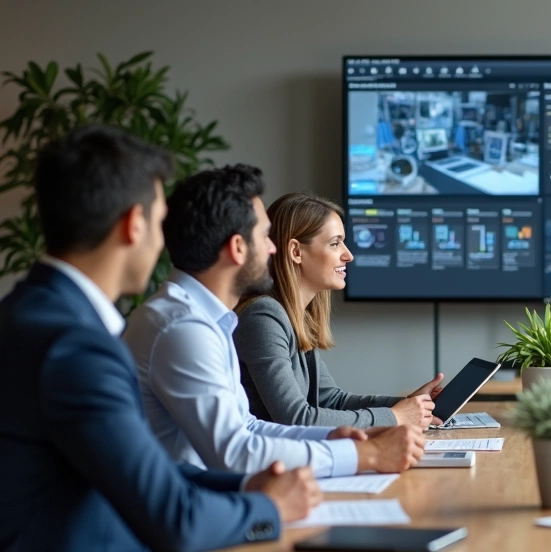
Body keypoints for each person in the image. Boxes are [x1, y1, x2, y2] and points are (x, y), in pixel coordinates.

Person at [0, 126, 321, 552]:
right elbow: (175, 521)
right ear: (133, 224)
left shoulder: (36, 312)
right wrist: (270, 508)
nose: (165, 241)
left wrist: (246, 485)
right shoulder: (73, 345)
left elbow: (151, 474)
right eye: (160, 222)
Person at [123, 165, 426, 478]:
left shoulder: (210, 321)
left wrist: (335, 437)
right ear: (238, 247)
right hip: (199, 497)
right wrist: (366, 452)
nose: (272, 248)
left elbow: (249, 427)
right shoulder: (184, 328)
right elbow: (234, 453)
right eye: (264, 236)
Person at [232, 192, 443, 427]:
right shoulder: (263, 317)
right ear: (296, 252)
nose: (348, 255)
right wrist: (396, 417)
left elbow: (331, 400)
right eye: (335, 243)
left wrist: (409, 405)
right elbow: (296, 417)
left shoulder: (295, 316)